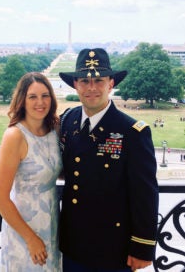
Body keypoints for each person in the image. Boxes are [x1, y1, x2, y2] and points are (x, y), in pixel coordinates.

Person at [58, 48, 159, 272]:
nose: (91, 87)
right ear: (75, 84)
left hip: (113, 250)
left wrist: (142, 247)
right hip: (73, 246)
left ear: (111, 83)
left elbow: (145, 194)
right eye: (84, 80)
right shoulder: (68, 120)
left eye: (99, 80)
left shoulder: (132, 132)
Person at [0, 72, 62, 272]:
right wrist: (31, 238)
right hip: (24, 229)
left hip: (51, 224)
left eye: (45, 95)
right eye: (32, 96)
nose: (40, 102)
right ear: (22, 100)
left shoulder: (54, 129)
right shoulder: (15, 135)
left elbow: (54, 170)